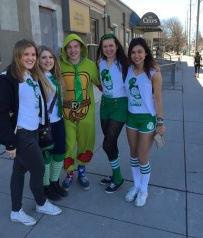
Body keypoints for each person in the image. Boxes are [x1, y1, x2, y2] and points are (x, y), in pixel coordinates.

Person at [0, 39, 62, 226]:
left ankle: (16, 211)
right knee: (38, 169)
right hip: (21, 134)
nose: (31, 58)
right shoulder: (8, 78)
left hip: (33, 131)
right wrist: (10, 142)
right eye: (27, 54)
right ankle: (41, 203)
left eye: (33, 54)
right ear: (18, 55)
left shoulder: (32, 76)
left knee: (19, 171)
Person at [124, 37, 165, 207]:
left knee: (142, 156)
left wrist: (160, 122)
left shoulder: (154, 72)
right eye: (133, 52)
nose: (136, 55)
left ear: (146, 52)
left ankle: (144, 190)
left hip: (147, 118)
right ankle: (136, 185)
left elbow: (158, 98)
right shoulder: (128, 69)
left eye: (140, 51)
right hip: (131, 117)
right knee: (133, 153)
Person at [60, 33, 101, 191]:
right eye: (69, 47)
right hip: (66, 113)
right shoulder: (59, 65)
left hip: (86, 113)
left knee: (85, 143)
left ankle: (82, 171)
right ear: (65, 49)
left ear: (81, 48)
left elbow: (101, 84)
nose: (73, 50)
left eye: (76, 46)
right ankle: (69, 173)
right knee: (69, 143)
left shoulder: (90, 65)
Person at [96, 34, 128, 193]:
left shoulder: (124, 63)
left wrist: (153, 67)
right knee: (111, 143)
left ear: (116, 46)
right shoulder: (100, 63)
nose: (108, 49)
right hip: (105, 105)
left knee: (107, 143)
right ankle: (114, 174)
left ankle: (118, 178)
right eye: (104, 46)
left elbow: (142, 69)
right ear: (101, 49)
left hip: (120, 106)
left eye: (111, 45)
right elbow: (100, 83)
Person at [38, 45, 68, 200]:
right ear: (38, 60)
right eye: (43, 57)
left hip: (58, 121)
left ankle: (55, 182)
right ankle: (46, 186)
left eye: (50, 57)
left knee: (60, 152)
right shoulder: (36, 78)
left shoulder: (56, 77)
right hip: (44, 124)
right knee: (46, 155)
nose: (48, 60)